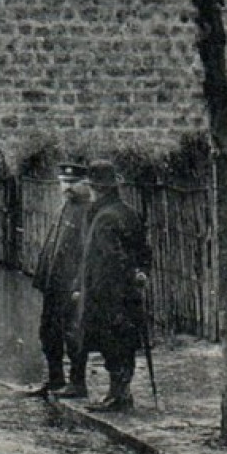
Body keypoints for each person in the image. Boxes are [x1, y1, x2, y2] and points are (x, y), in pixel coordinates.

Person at [71, 160, 151, 413]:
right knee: (125, 341)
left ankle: (118, 395)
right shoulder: (128, 212)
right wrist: (140, 274)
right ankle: (121, 393)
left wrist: (95, 293)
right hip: (128, 293)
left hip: (107, 293)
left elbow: (106, 261)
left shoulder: (104, 218)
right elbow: (144, 252)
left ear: (96, 188)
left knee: (112, 343)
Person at [26, 161, 92, 398]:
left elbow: (87, 253)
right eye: (64, 182)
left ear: (85, 184)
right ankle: (55, 379)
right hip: (54, 284)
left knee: (74, 334)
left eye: (73, 183)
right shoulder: (65, 206)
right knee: (48, 332)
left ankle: (78, 382)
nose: (68, 187)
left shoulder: (85, 211)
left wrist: (79, 285)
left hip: (70, 285)